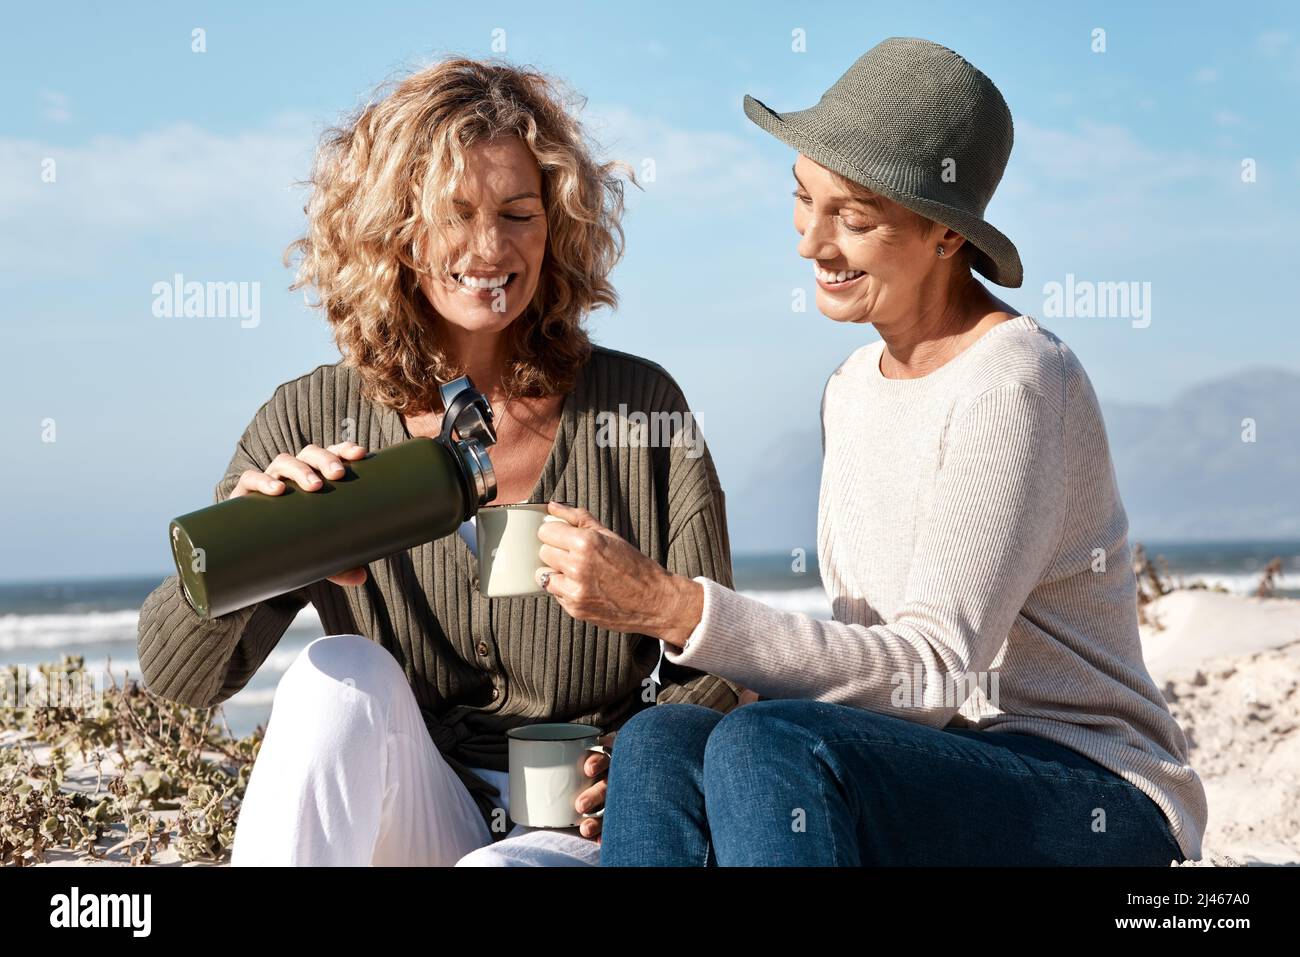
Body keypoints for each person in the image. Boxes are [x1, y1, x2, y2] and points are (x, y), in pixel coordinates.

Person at [532, 37, 1208, 865]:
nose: (811, 243)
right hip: (922, 767)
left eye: (853, 217)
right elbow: (869, 666)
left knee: (763, 742)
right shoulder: (852, 387)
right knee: (663, 739)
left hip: (1091, 791)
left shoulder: (1014, 381)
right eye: (802, 200)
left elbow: (928, 676)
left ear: (947, 235)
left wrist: (677, 607)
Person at [135, 57, 742, 867]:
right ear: (396, 228)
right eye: (454, 213)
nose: (489, 249)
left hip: (575, 830)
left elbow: (717, 657)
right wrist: (262, 544)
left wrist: (633, 760)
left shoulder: (640, 407)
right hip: (415, 802)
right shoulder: (310, 419)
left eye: (520, 213)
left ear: (556, 224)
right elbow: (180, 678)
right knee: (333, 672)